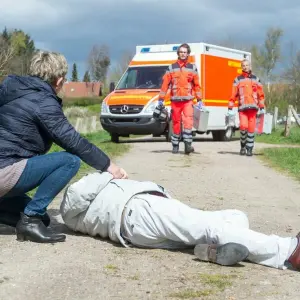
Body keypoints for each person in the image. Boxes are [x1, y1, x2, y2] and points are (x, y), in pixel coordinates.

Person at [0, 50, 127, 244]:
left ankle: (26, 216)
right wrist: (109, 165)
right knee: (69, 161)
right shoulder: (42, 101)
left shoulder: (10, 90)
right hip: (5, 171)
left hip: (6, 168)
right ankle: (30, 221)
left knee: (45, 219)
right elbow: (72, 141)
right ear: (59, 80)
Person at [61, 172, 300, 271]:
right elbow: (80, 193)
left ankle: (210, 251)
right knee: (211, 227)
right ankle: (287, 251)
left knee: (236, 217)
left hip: (141, 226)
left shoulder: (82, 215)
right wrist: (108, 171)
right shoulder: (75, 194)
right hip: (140, 212)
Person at [158, 43, 203, 154]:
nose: (183, 54)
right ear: (178, 53)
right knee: (176, 123)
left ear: (188, 54)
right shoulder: (171, 68)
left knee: (188, 122)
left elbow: (197, 85)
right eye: (181, 52)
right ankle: (175, 145)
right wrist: (161, 99)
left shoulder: (192, 68)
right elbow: (165, 85)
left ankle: (188, 145)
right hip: (175, 101)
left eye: (185, 52)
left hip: (188, 100)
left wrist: (199, 99)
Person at [228, 59, 265, 156]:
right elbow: (233, 94)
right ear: (241, 67)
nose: (245, 67)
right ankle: (243, 146)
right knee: (243, 127)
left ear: (250, 66)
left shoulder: (256, 79)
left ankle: (249, 149)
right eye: (243, 65)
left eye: (247, 65)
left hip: (253, 109)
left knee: (251, 129)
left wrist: (261, 105)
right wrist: (230, 105)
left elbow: (260, 94)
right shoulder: (237, 80)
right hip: (242, 108)